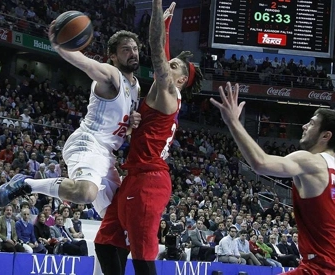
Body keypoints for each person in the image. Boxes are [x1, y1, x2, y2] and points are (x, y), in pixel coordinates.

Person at [0, 14, 143, 221]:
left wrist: (129, 125)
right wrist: (60, 45)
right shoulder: (111, 74)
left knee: (116, 219)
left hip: (106, 154)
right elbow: (87, 64)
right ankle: (27, 184)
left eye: (135, 49)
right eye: (126, 50)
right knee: (85, 193)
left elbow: (119, 127)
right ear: (113, 56)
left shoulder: (136, 86)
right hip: (89, 142)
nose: (132, 53)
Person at [94, 1, 203, 274]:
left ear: (178, 81)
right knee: (105, 242)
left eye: (173, 65)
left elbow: (157, 51)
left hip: (149, 181)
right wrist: (165, 27)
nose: (168, 63)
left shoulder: (168, 94)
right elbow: (162, 56)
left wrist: (157, 11)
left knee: (142, 256)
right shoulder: (162, 92)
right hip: (135, 176)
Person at [211, 82, 335, 274]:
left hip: (319, 268)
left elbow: (261, 163)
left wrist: (233, 121)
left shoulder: (310, 160)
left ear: (325, 135)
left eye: (312, 123)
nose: (304, 126)